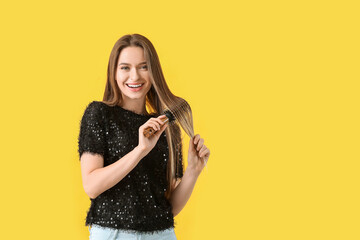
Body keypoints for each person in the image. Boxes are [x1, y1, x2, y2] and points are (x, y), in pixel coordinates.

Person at [78, 33, 210, 240]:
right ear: (113, 73)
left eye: (143, 67)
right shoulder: (99, 114)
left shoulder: (167, 127)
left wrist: (194, 170)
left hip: (162, 235)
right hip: (113, 235)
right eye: (125, 67)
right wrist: (140, 150)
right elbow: (91, 186)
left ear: (153, 72)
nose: (135, 77)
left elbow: (169, 208)